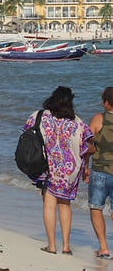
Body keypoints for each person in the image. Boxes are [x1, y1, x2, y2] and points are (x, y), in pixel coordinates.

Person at [24, 86, 93, 255]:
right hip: (70, 170)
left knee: (49, 204)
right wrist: (87, 167)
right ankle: (67, 246)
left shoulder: (40, 116)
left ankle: (52, 245)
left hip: (47, 167)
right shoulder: (78, 122)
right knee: (65, 205)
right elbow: (89, 146)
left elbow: (26, 134)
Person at [87, 87, 113, 259]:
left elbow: (87, 146)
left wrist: (85, 168)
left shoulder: (99, 118)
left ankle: (104, 247)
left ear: (106, 102)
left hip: (100, 171)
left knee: (96, 208)